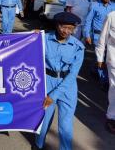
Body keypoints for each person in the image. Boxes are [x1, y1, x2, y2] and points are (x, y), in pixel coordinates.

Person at [35, 12, 84, 150]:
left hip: (67, 86)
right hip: (47, 82)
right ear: (57, 25)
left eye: (70, 28)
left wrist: (54, 95)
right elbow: (26, 49)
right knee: (43, 120)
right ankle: (38, 145)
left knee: (66, 125)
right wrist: (32, 37)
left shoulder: (78, 47)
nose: (66, 31)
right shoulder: (43, 38)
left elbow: (73, 73)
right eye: (63, 27)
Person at [96, 11, 115, 134]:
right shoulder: (112, 16)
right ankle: (111, 117)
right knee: (114, 88)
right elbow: (102, 38)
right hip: (114, 59)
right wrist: (100, 58)